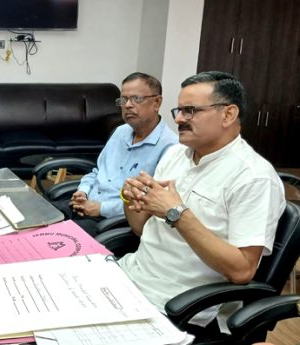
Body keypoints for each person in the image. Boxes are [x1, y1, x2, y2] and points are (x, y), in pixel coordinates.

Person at [119, 71, 286, 333]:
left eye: (190, 111)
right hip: (130, 277)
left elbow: (242, 271)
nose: (178, 119)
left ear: (228, 115)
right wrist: (131, 198)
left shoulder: (253, 177)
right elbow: (141, 228)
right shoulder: (175, 154)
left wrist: (176, 213)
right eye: (178, 110)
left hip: (179, 307)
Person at [66, 72, 178, 236]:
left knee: (55, 242)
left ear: (157, 102)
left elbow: (151, 204)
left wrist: (101, 208)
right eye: (123, 100)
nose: (128, 105)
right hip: (86, 204)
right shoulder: (120, 132)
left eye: (136, 99)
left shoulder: (171, 147)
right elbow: (98, 171)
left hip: (111, 221)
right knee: (39, 217)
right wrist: (82, 191)